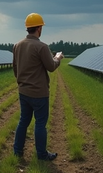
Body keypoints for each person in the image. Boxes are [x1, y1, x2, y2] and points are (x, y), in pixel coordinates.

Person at [12, 12, 64, 161]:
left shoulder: (17, 45)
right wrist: (58, 58)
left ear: (27, 28)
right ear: (39, 28)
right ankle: (41, 154)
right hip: (39, 93)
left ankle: (17, 151)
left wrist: (22, 82)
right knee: (40, 123)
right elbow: (51, 66)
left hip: (23, 91)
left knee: (24, 120)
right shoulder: (41, 47)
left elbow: (15, 68)